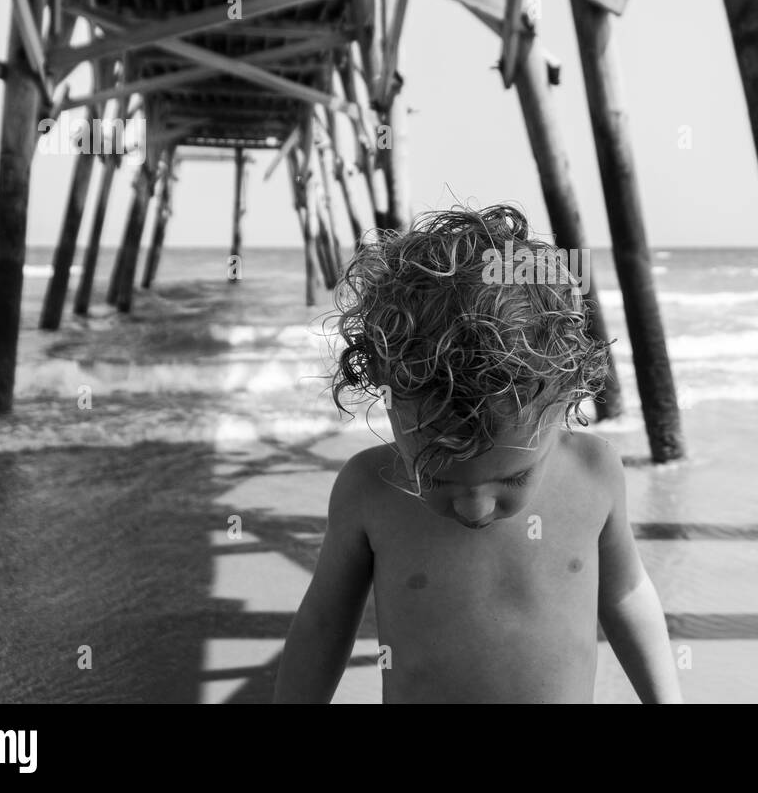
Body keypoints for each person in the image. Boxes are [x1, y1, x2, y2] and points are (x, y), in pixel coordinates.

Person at [275, 205, 681, 703]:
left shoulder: (594, 473)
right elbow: (323, 624)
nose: (474, 508)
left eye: (511, 480)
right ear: (386, 391)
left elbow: (626, 597)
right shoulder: (369, 490)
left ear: (564, 401)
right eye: (437, 479)